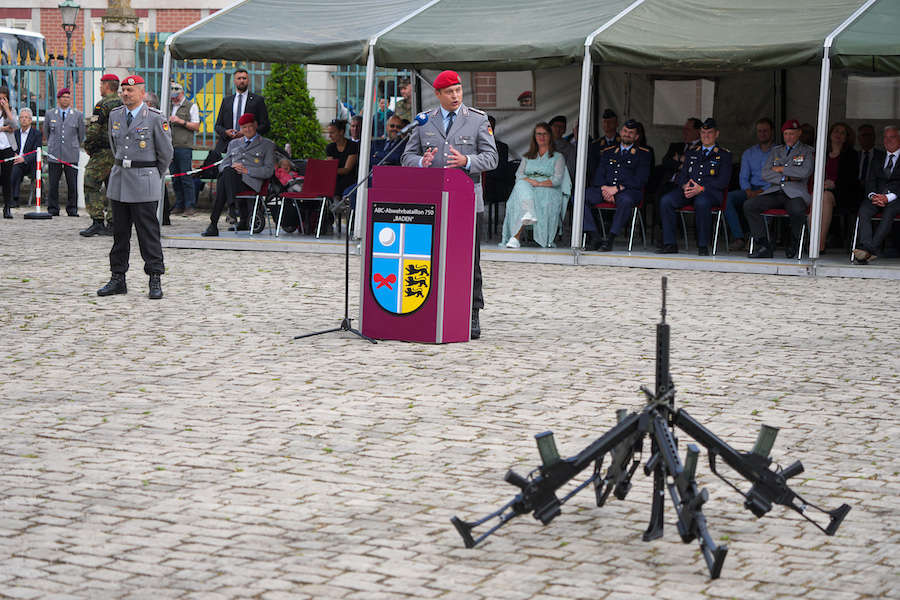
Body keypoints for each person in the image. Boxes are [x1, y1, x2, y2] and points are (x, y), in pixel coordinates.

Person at [401, 70, 498, 340]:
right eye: (449, 92)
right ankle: (430, 308)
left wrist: (467, 162)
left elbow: (492, 158)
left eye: (458, 90)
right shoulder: (424, 122)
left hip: (467, 200)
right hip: (433, 200)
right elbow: (407, 156)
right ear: (438, 95)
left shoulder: (478, 120)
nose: (455, 96)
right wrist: (422, 162)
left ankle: (472, 312)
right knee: (430, 257)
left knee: (469, 260)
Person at [97, 75, 174, 300]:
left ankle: (155, 278)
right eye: (123, 90)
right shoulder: (115, 115)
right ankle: (117, 278)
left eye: (130, 90)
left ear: (142, 93)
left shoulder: (154, 118)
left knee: (148, 233)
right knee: (119, 233)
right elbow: (115, 147)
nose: (125, 94)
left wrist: (152, 174)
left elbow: (166, 153)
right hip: (120, 179)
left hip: (144, 180)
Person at [657, 118, 732, 255]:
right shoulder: (692, 152)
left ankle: (703, 246)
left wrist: (702, 188)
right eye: (703, 132)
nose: (706, 136)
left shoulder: (724, 155)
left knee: (701, 202)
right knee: (666, 201)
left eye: (710, 132)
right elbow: (682, 175)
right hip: (689, 190)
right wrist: (685, 185)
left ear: (717, 134)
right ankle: (670, 244)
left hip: (710, 193)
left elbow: (723, 181)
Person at [745, 119, 815, 259]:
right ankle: (764, 244)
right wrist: (786, 178)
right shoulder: (776, 151)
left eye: (792, 134)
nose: (789, 137)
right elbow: (765, 173)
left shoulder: (807, 151)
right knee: (749, 206)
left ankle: (794, 243)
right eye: (786, 134)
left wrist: (782, 169)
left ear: (799, 133)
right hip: (775, 192)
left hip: (796, 194)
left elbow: (804, 172)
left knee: (797, 210)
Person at [583, 119, 651, 251]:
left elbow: (641, 179)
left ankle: (610, 239)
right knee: (580, 197)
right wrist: (605, 189)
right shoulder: (608, 151)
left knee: (625, 200)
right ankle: (594, 236)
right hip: (605, 189)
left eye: (631, 133)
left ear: (636, 136)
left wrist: (617, 189)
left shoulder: (643, 153)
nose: (627, 134)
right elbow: (598, 175)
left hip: (629, 191)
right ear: (620, 132)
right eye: (625, 131)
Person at [202, 113, 275, 236]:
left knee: (224, 180)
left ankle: (216, 223)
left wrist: (248, 170)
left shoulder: (267, 145)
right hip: (233, 181)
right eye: (244, 127)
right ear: (240, 129)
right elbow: (222, 165)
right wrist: (231, 167)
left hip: (251, 183)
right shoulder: (234, 143)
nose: (247, 130)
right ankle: (229, 210)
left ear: (255, 125)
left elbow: (269, 170)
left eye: (250, 126)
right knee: (227, 172)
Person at [501, 122, 571, 249]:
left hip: (549, 189)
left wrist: (539, 183)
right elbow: (519, 175)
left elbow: (557, 179)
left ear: (550, 136)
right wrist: (532, 182)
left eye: (545, 134)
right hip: (528, 186)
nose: (541, 137)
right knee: (520, 185)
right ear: (534, 136)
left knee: (524, 190)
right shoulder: (527, 156)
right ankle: (522, 224)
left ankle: (518, 233)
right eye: (538, 134)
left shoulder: (558, 157)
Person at [81, 73, 123, 237]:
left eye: (101, 85)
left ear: (107, 86)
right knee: (113, 187)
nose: (100, 88)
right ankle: (114, 222)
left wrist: (88, 146)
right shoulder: (122, 103)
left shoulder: (102, 105)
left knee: (90, 183)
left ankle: (97, 221)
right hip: (118, 152)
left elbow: (94, 130)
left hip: (102, 152)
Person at [852, 125, 900, 265]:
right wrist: (873, 195)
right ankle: (868, 247)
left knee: (889, 212)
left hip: (896, 199)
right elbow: (870, 180)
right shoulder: (878, 157)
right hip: (877, 197)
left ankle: (869, 250)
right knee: (864, 210)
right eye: (885, 137)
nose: (888, 140)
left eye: (892, 137)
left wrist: (888, 197)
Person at [725, 118, 774, 251]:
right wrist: (747, 190)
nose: (762, 134)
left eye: (765, 131)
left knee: (755, 204)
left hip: (769, 190)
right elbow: (743, 176)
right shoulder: (749, 153)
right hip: (750, 188)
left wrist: (761, 191)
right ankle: (739, 237)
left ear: (772, 132)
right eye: (759, 131)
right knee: (727, 198)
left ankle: (756, 239)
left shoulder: (778, 152)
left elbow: (777, 178)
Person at [43, 87, 85, 217]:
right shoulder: (50, 114)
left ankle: (72, 208)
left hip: (71, 153)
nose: (66, 99)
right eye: (64, 97)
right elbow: (46, 131)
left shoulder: (77, 115)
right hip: (55, 153)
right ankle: (53, 208)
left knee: (72, 183)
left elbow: (81, 134)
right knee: (53, 183)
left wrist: (74, 145)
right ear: (59, 99)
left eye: (68, 97)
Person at [818, 122, 859, 253]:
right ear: (830, 134)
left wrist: (834, 184)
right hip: (821, 191)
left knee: (824, 197)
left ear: (847, 138)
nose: (838, 135)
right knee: (817, 198)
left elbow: (852, 180)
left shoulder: (852, 155)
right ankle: (815, 241)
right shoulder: (821, 153)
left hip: (843, 194)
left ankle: (819, 244)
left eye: (842, 133)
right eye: (836, 131)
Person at [213, 68, 270, 154]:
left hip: (250, 145)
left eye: (244, 78)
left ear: (248, 80)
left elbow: (265, 125)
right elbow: (218, 126)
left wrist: (247, 132)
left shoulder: (257, 100)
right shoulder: (227, 101)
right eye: (239, 78)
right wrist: (226, 132)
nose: (242, 81)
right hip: (227, 145)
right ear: (234, 81)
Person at [167, 81, 200, 216]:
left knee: (186, 177)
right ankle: (179, 204)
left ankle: (190, 206)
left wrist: (181, 121)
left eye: (175, 96)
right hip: (170, 146)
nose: (173, 99)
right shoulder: (168, 106)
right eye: (172, 96)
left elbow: (196, 126)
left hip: (184, 146)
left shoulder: (191, 106)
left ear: (181, 93)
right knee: (175, 177)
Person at [9, 108, 40, 214]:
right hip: (17, 161)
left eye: (26, 117)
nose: (23, 120)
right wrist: (14, 155)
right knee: (14, 169)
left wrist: (24, 158)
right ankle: (13, 199)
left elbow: (37, 151)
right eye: (21, 117)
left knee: (16, 167)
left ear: (31, 120)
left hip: (30, 163)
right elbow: (11, 147)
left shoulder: (36, 134)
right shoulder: (15, 133)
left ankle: (14, 198)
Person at [326, 118, 360, 203]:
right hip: (336, 176)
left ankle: (336, 202)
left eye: (332, 133)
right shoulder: (330, 147)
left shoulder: (353, 146)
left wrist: (332, 171)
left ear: (341, 132)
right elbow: (330, 166)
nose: (330, 136)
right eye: (329, 133)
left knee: (340, 180)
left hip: (350, 177)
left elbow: (347, 169)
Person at [0, 86, 19, 217]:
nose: (1, 100)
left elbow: (15, 125)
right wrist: (3, 128)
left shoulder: (11, 110)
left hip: (7, 147)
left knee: (7, 178)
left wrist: (6, 109)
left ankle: (7, 207)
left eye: (4, 98)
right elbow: (8, 128)